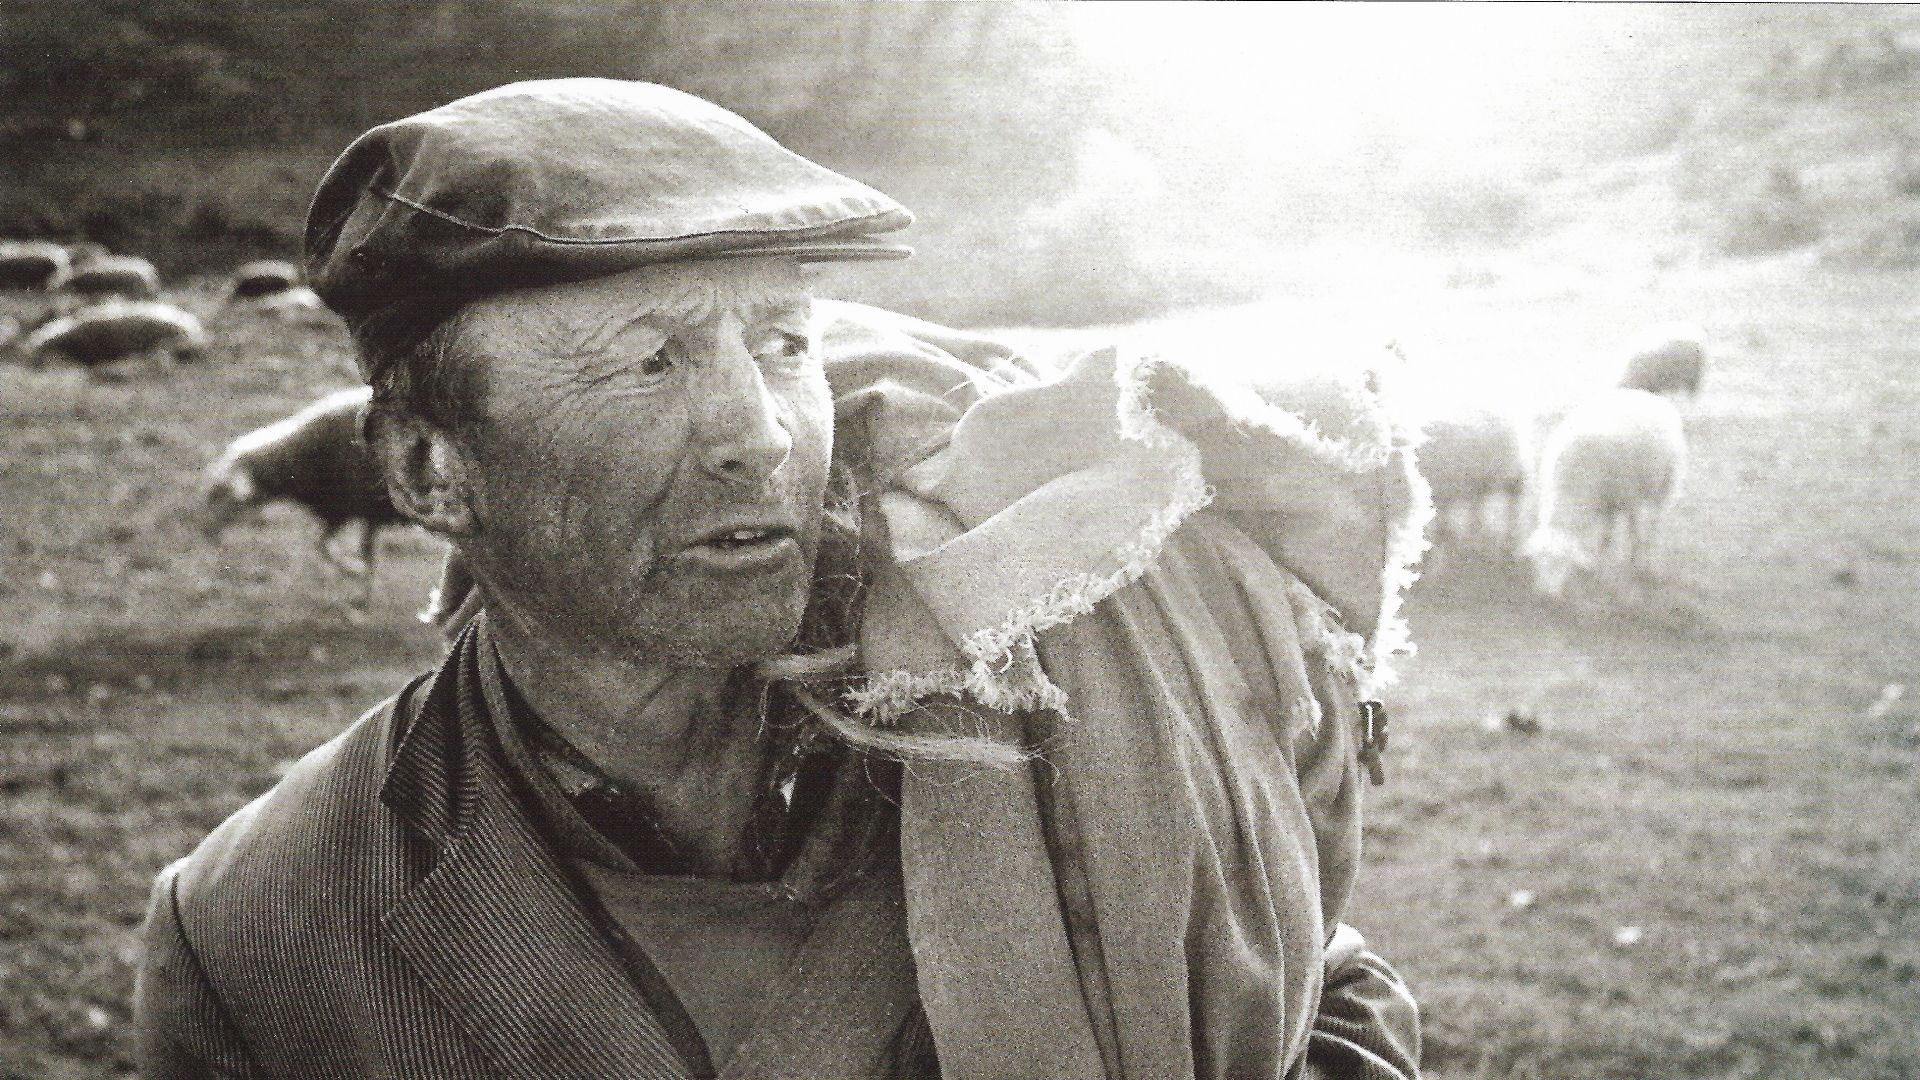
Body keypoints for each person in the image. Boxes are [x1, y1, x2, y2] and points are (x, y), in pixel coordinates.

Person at [134, 78, 1425, 1079]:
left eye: (785, 340)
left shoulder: (1040, 700)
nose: (758, 430)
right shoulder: (261, 936)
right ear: (428, 469)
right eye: (651, 361)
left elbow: (1326, 986)